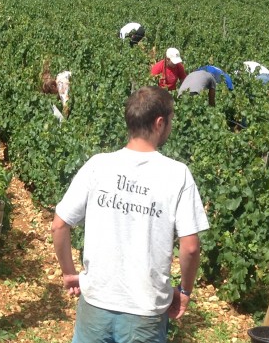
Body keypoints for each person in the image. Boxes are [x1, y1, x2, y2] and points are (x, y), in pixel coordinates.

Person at [51, 86, 209, 343]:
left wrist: (70, 274)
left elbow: (59, 226)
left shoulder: (98, 165)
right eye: (170, 120)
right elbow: (190, 248)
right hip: (145, 313)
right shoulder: (177, 175)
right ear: (160, 123)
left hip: (95, 304)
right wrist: (184, 290)